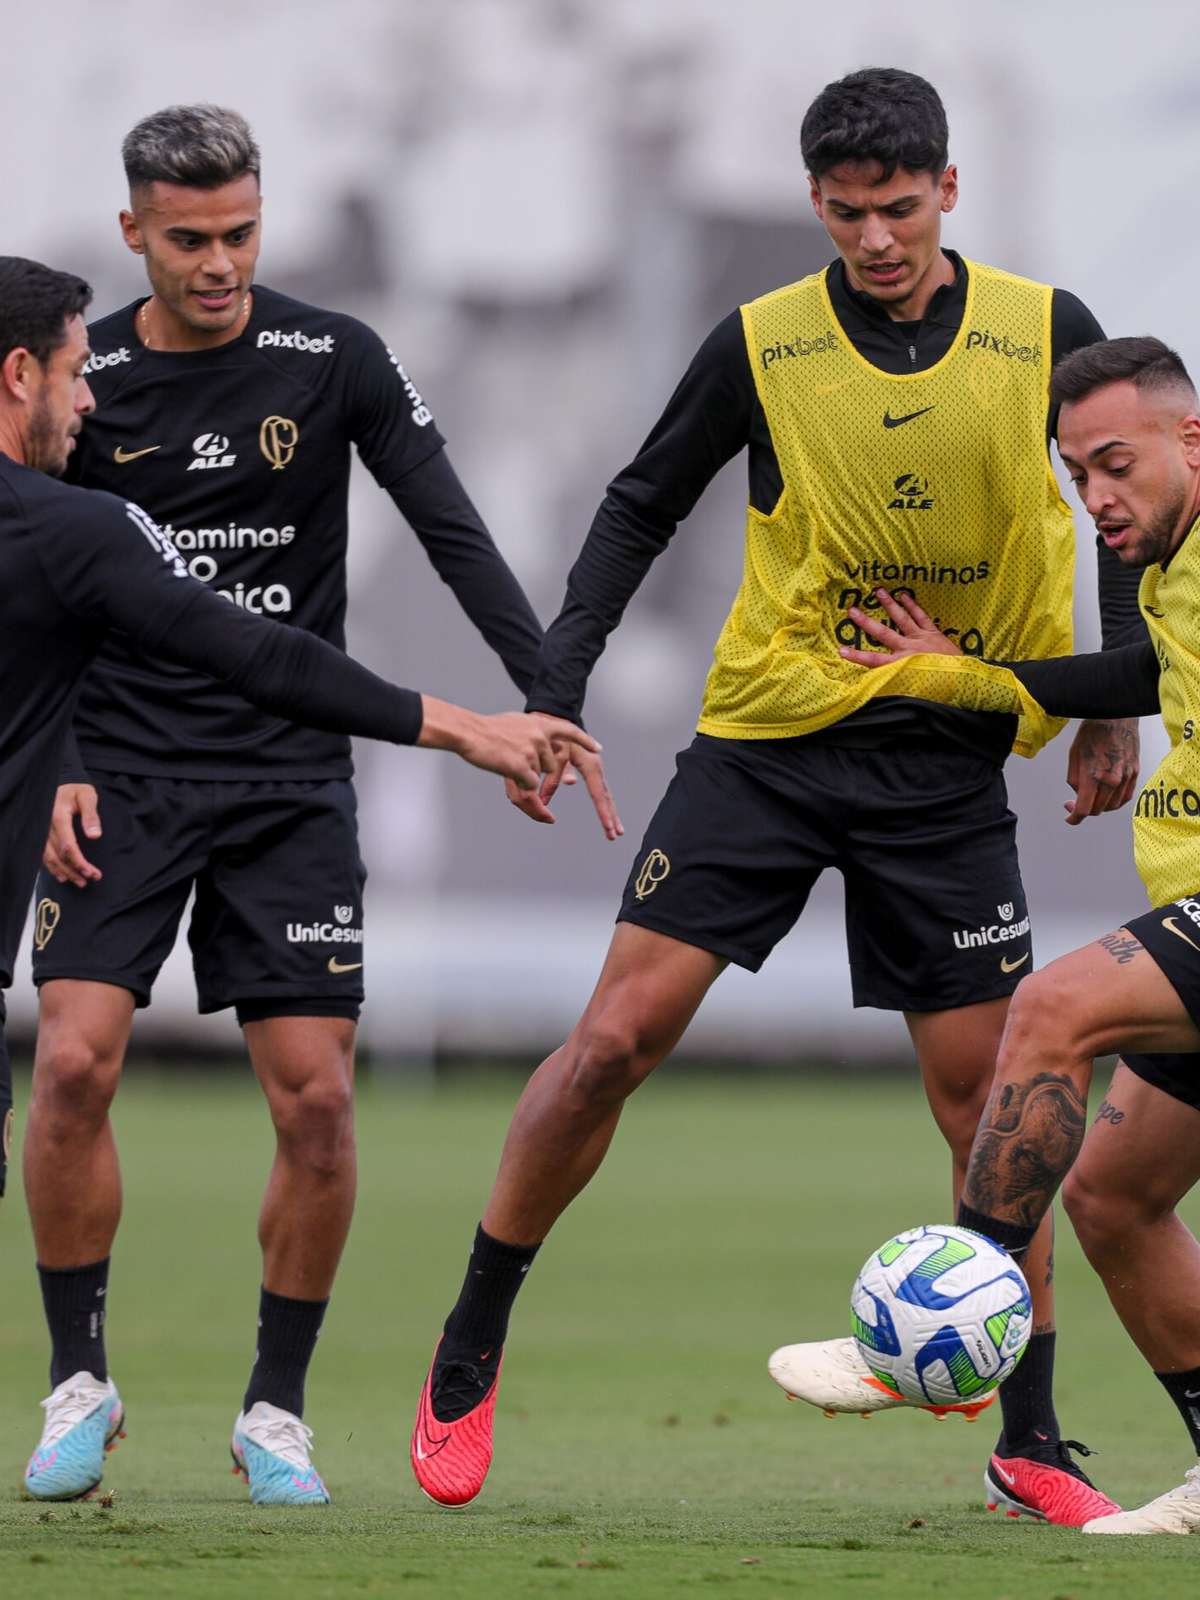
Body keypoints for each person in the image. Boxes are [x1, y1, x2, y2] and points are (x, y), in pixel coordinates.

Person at [408, 67, 1141, 1522]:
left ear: (949, 190)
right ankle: (469, 1342)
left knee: (990, 1107)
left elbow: (1116, 499)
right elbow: (638, 503)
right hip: (771, 740)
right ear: (816, 201)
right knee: (614, 1041)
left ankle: (1031, 1438)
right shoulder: (760, 339)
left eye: (901, 207)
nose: (876, 239)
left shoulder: (1043, 329)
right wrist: (553, 693)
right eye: (850, 212)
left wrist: (1113, 693)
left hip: (943, 752)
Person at [0, 253, 597, 1502]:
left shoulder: (329, 361)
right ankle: (78, 1377)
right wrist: (464, 727)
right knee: (68, 1063)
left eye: (242, 228)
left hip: (285, 792)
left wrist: (538, 697)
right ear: (137, 231)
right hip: (125, 778)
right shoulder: (82, 509)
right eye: (189, 235)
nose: (219, 259)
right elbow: (229, 645)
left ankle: (275, 1409)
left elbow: (376, 577)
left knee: (316, 1103)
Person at [839, 334, 1200, 1534]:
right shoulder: (1166, 561)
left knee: (1049, 1009)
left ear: (1189, 438)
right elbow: (1145, 668)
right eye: (1074, 475)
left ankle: (935, 1325)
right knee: (1111, 1197)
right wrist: (966, 671)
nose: (1095, 497)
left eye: (1113, 464)